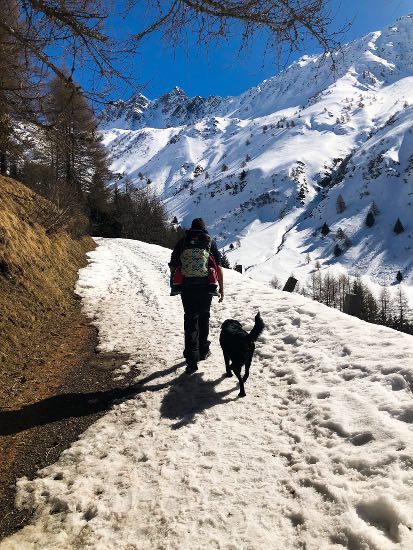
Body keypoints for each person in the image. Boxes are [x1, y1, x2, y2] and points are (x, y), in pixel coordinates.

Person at [169, 218, 224, 374]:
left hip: (187, 287)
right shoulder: (209, 242)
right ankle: (203, 350)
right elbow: (218, 267)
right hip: (206, 287)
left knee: (190, 319)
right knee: (204, 317)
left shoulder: (183, 242)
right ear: (204, 228)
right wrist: (221, 289)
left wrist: (175, 282)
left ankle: (191, 359)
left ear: (191, 228)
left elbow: (173, 265)